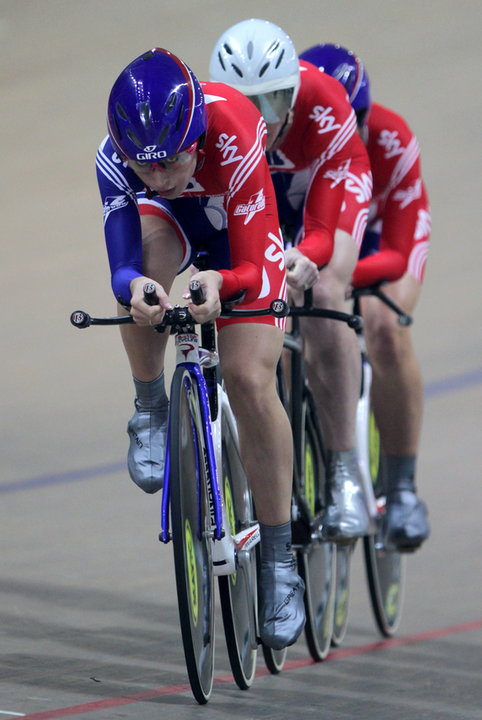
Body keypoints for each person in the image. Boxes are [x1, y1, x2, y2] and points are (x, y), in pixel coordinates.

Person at [96, 47, 305, 649]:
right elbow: (123, 262)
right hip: (177, 226)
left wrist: (225, 284)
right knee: (149, 275)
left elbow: (260, 263)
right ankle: (150, 409)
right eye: (146, 167)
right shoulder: (116, 158)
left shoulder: (234, 127)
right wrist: (133, 286)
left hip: (241, 235)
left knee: (247, 377)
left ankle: (279, 563)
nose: (159, 177)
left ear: (198, 135)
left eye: (173, 162)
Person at [210, 20, 373, 542]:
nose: (263, 118)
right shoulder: (219, 122)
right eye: (248, 101)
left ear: (296, 93)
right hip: (266, 187)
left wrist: (305, 254)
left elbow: (324, 227)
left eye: (275, 101)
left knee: (324, 290)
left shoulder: (324, 105)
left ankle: (344, 471)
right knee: (258, 313)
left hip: (328, 177)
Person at [299, 43, 430, 551]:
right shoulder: (293, 138)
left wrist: (343, 278)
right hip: (327, 238)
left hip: (380, 242)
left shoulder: (391, 138)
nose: (343, 131)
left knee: (383, 327)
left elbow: (398, 253)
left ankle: (401, 489)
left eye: (355, 118)